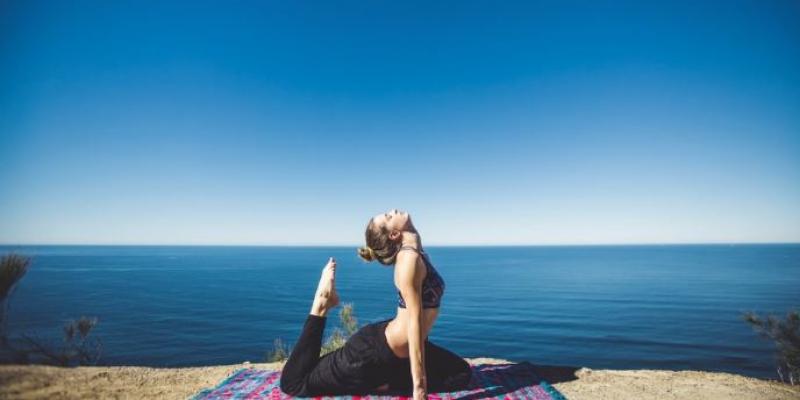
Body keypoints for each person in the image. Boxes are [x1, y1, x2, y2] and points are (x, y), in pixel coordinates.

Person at [280, 209, 472, 399]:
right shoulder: (408, 260)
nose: (393, 210)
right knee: (294, 383)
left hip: (396, 351)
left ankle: (383, 381)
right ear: (395, 234)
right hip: (371, 354)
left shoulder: (416, 252)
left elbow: (420, 322)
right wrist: (419, 388)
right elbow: (415, 324)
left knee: (461, 374)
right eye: (388, 216)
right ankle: (321, 303)